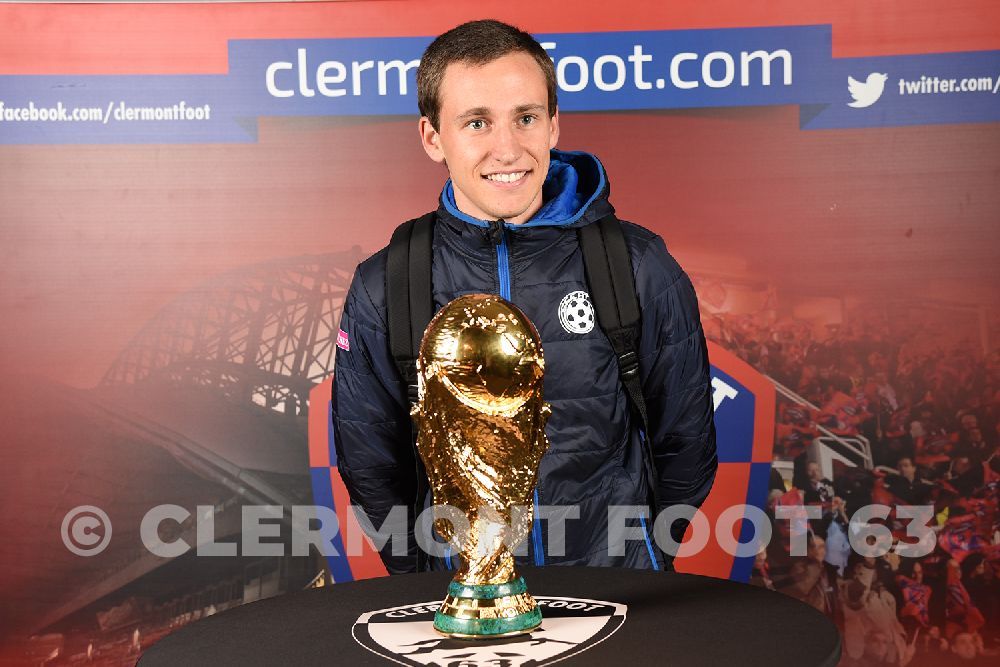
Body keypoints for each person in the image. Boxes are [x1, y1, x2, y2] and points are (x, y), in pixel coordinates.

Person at [331, 19, 718, 574]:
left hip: (618, 590)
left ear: (553, 125)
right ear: (433, 138)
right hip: (460, 599)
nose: (507, 149)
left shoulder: (635, 264)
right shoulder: (387, 284)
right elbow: (371, 462)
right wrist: (428, 579)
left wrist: (644, 561)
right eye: (477, 123)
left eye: (526, 118)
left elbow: (686, 439)